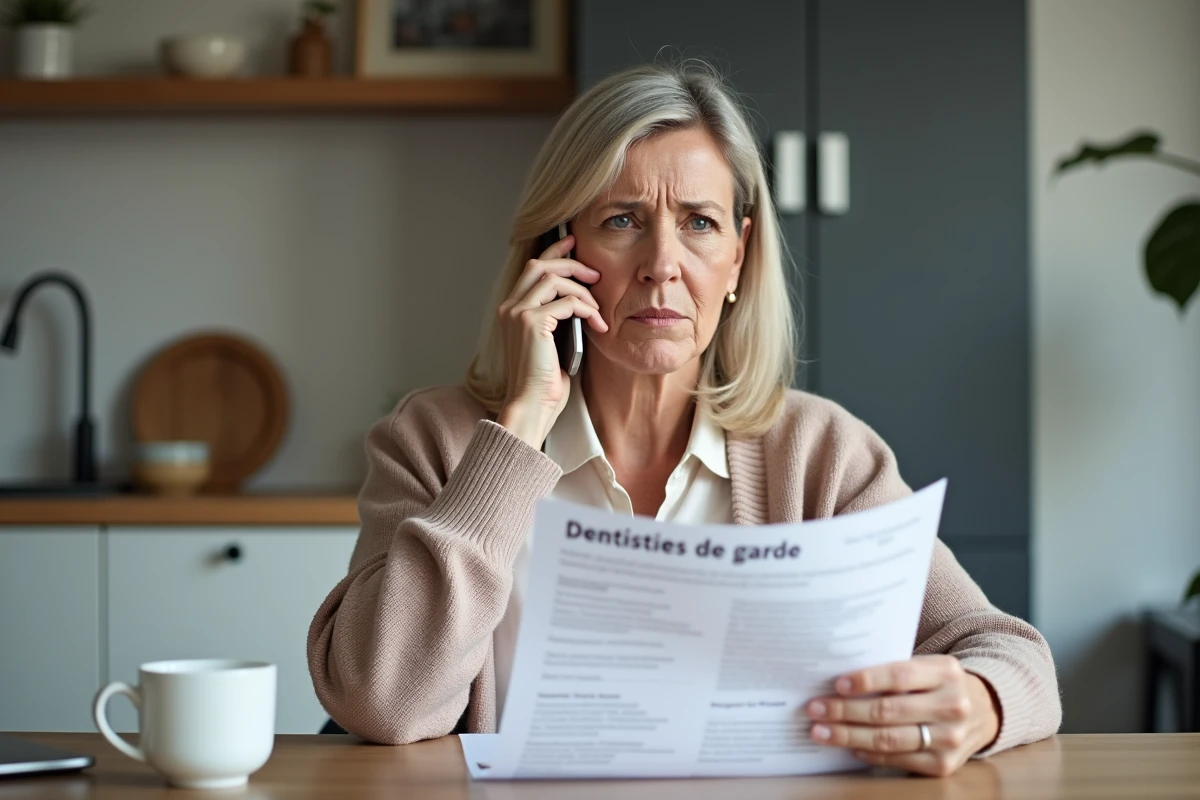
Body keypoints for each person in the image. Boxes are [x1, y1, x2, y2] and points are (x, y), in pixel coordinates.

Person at [307, 61, 1060, 777]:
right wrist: (519, 429)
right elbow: (383, 700)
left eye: (699, 222)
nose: (662, 263)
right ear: (556, 250)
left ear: (739, 257)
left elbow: (1012, 654)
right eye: (623, 219)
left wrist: (982, 705)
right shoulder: (433, 439)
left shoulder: (823, 452)